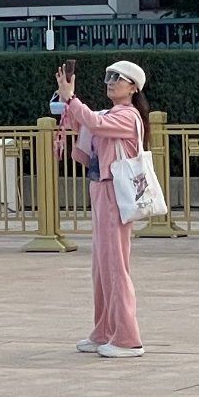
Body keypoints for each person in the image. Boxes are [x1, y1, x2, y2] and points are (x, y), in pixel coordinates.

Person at [53, 59, 151, 359]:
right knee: (101, 267)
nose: (111, 83)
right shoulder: (109, 114)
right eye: (109, 77)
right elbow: (85, 124)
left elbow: (93, 123)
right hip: (102, 189)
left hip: (114, 192)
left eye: (118, 78)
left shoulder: (128, 116)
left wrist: (71, 98)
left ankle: (127, 338)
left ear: (133, 88)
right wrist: (67, 100)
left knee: (115, 266)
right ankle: (104, 331)